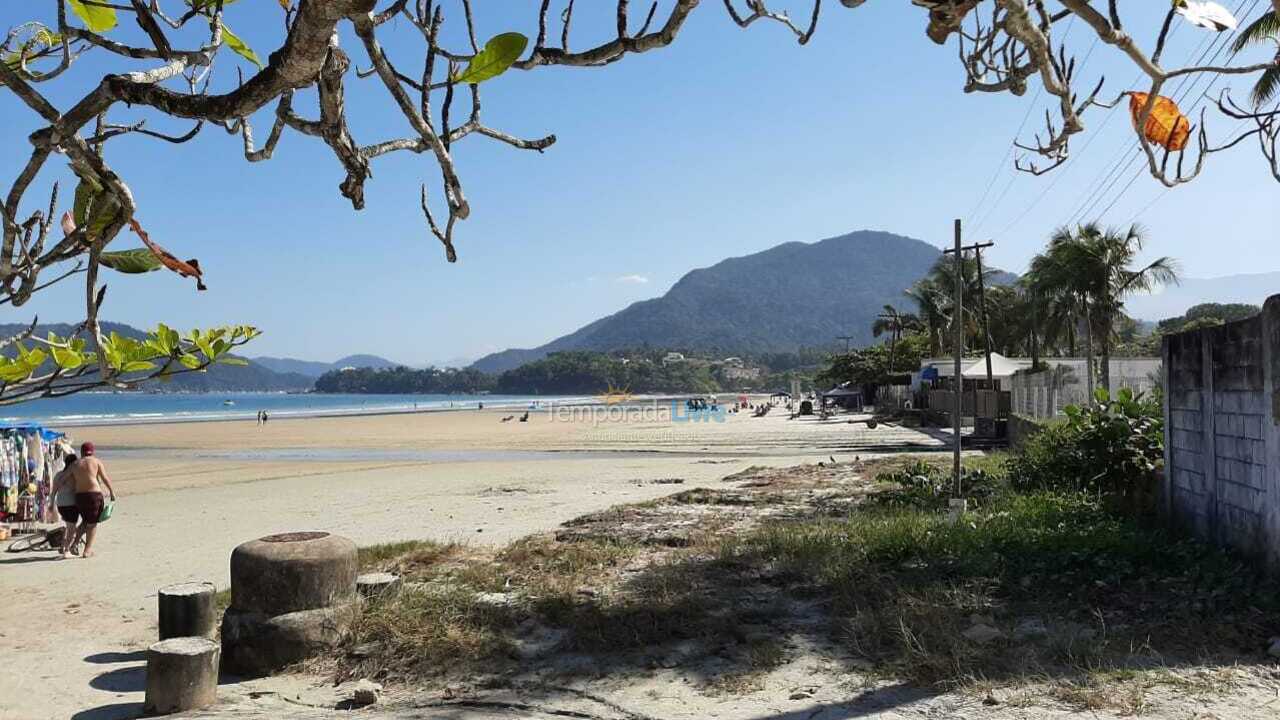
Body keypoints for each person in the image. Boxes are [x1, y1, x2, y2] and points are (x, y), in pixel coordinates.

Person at [69, 442, 116, 559]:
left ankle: (75, 543)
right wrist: (112, 492)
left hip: (79, 497)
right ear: (92, 451)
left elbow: (65, 479)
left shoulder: (75, 464)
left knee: (86, 521)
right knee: (92, 523)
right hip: (93, 495)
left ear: (81, 452)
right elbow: (105, 478)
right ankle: (87, 551)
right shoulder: (96, 461)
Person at [49, 454, 79, 557]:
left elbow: (53, 491)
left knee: (68, 525)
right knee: (72, 528)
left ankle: (63, 546)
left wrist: (51, 504)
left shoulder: (58, 475)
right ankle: (67, 550)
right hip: (71, 503)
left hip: (60, 504)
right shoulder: (74, 475)